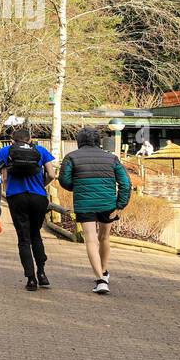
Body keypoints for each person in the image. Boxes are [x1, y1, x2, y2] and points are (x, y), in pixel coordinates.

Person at [58, 125, 132, 295]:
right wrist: (120, 205)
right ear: (98, 141)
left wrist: (77, 187)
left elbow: (64, 180)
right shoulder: (111, 158)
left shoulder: (71, 157)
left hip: (85, 203)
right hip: (108, 204)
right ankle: (104, 272)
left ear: (79, 141)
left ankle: (100, 279)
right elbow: (126, 183)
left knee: (91, 239)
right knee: (104, 237)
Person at [0, 126, 56, 291]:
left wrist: (8, 191)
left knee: (24, 239)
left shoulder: (5, 152)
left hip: (17, 197)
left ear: (13, 139)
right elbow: (52, 174)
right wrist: (41, 186)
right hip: (38, 197)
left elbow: (5, 177)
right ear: (30, 139)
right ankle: (42, 273)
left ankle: (31, 278)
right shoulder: (41, 150)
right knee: (36, 234)